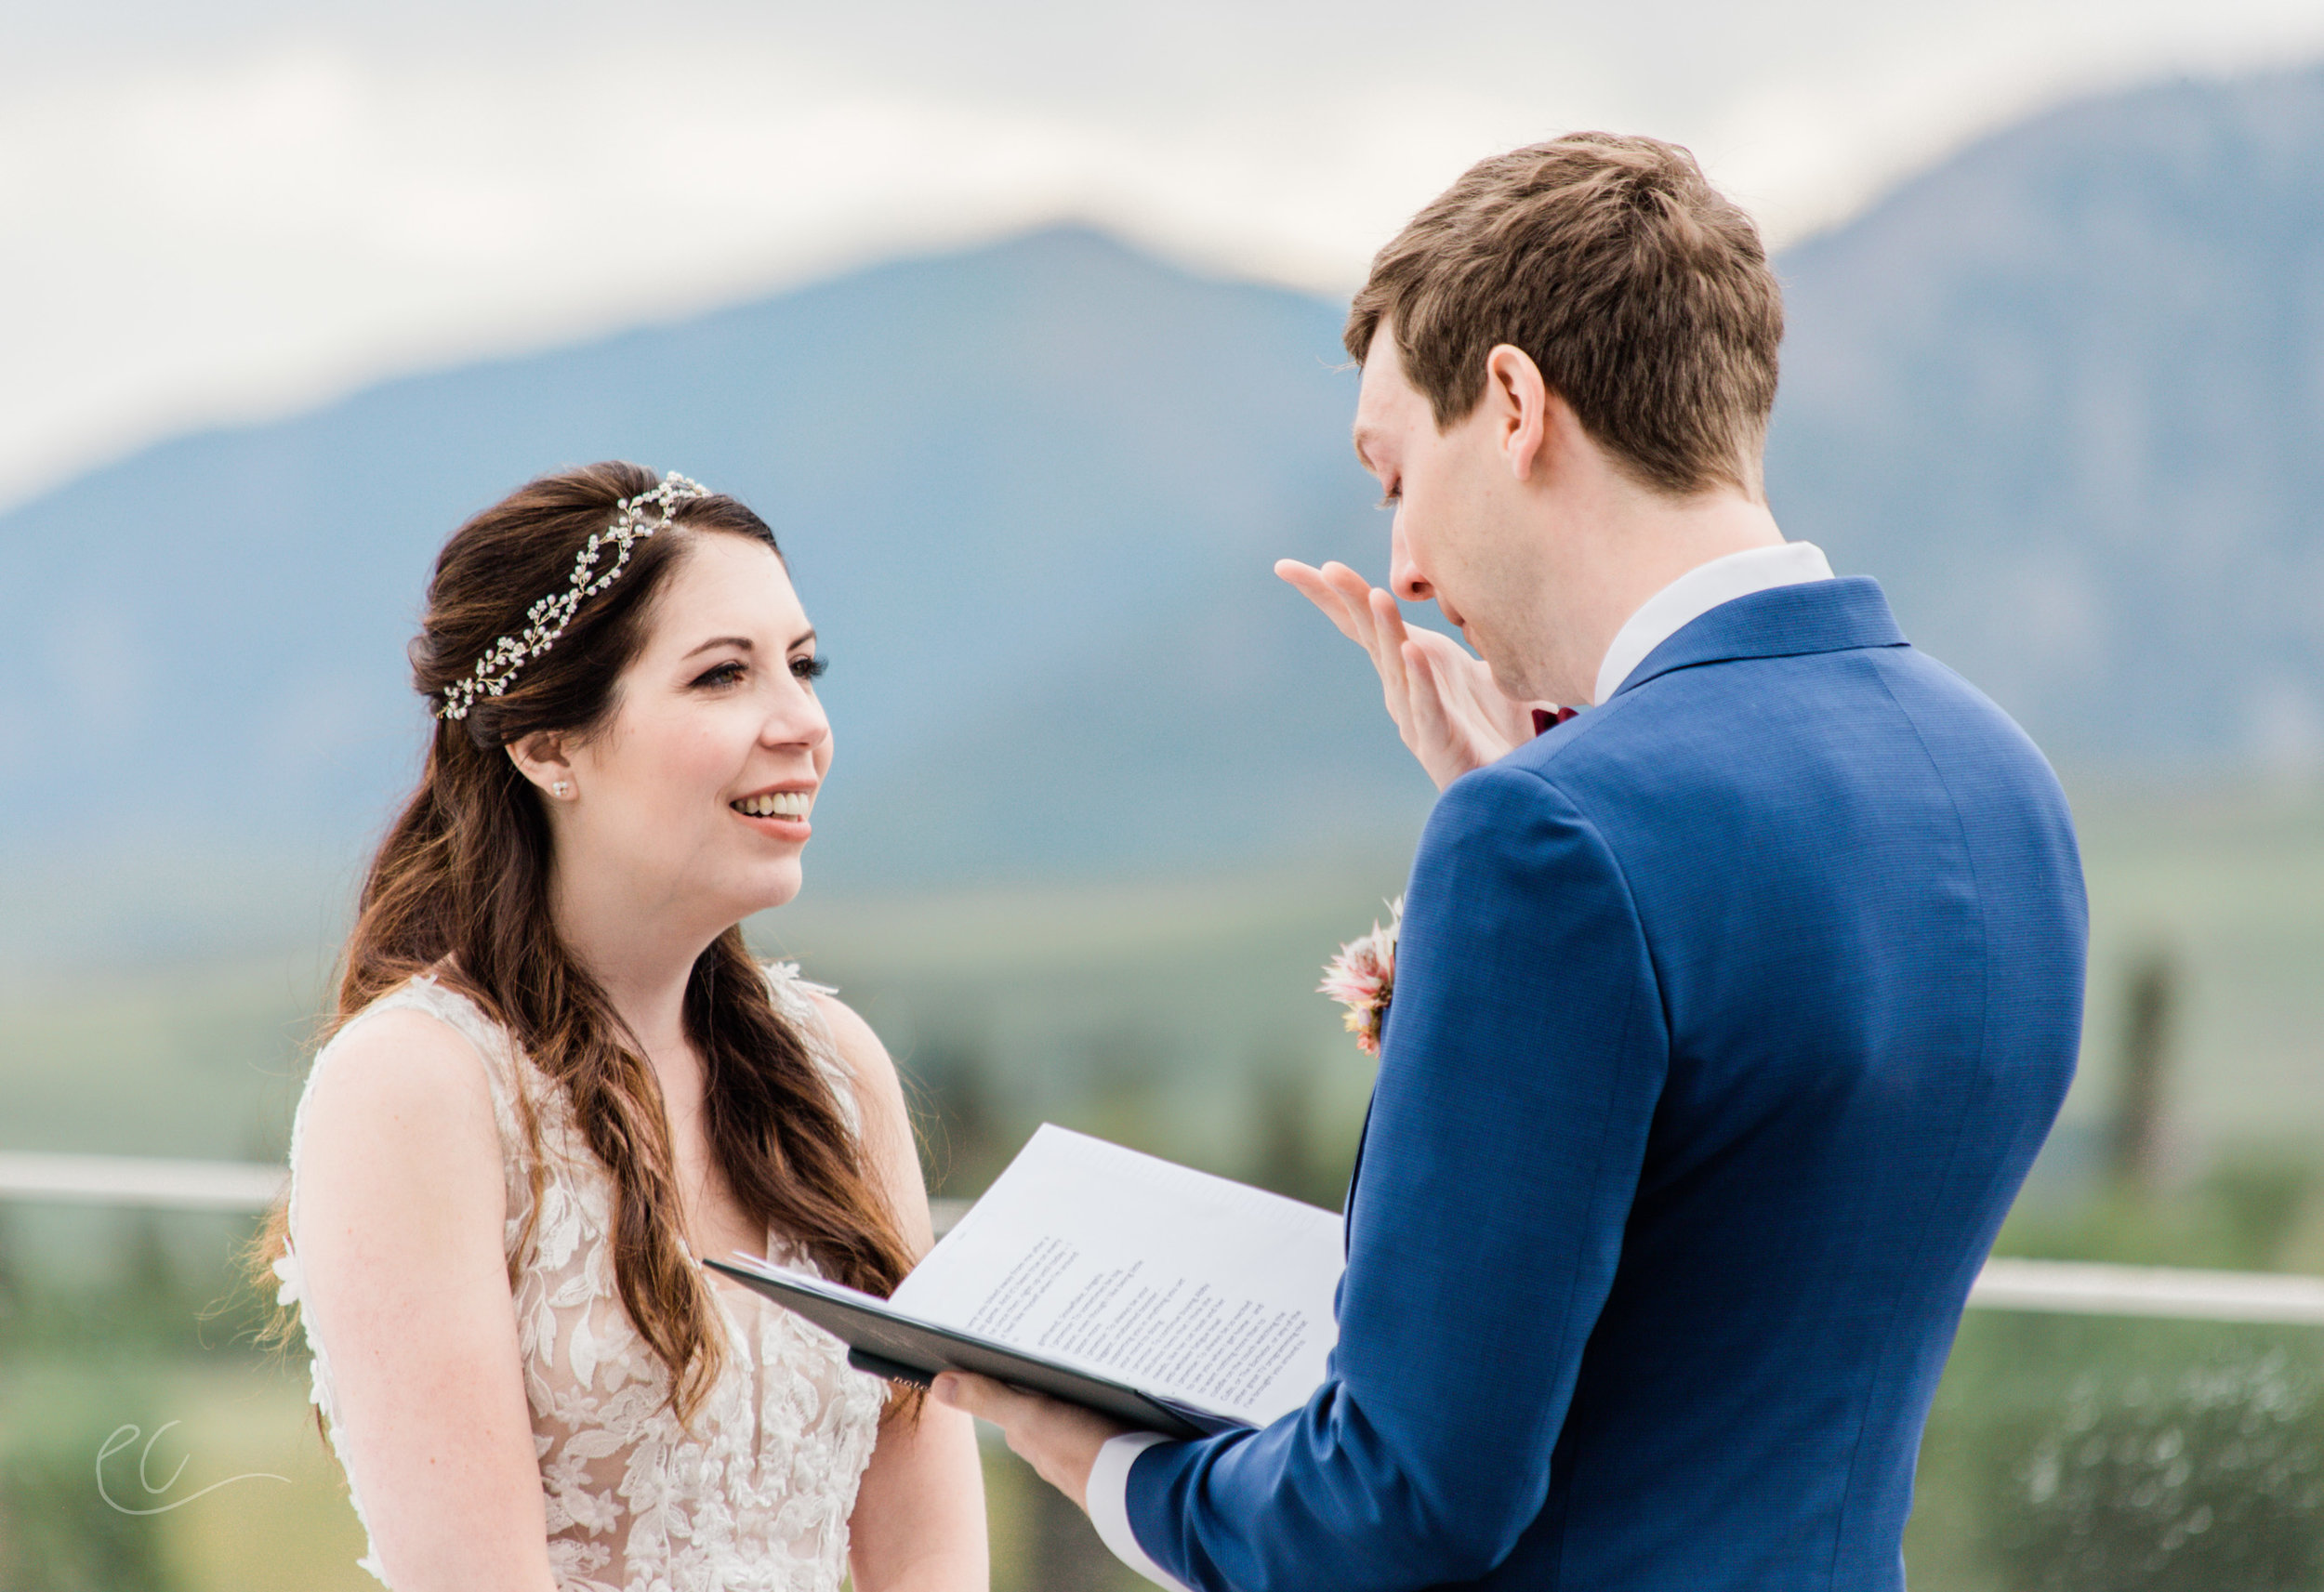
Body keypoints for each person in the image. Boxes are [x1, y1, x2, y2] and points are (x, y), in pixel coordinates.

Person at [935, 133, 2086, 1590]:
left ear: (1517, 404)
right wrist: (1539, 797)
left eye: (1394, 473)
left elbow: (1402, 1501)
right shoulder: (2004, 782)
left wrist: (1106, 1463)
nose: (1404, 565)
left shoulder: (1550, 842)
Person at [258, 463, 987, 1592]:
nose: (802, 723)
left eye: (803, 666)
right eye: (722, 677)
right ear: (547, 745)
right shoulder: (415, 1086)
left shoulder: (835, 1071)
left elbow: (934, 1558)